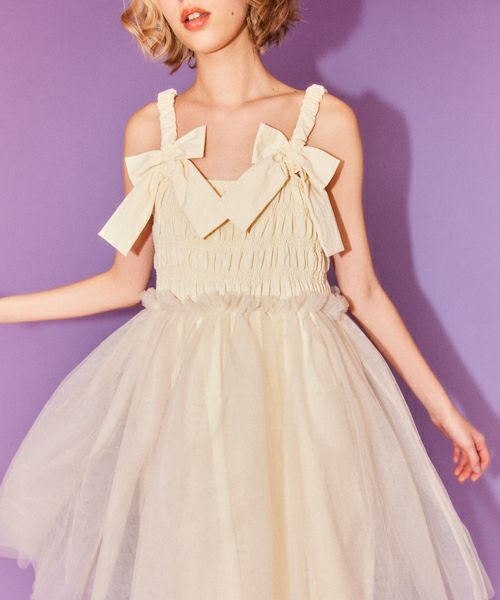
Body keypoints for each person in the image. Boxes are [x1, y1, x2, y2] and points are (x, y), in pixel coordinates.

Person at [0, 1, 495, 598]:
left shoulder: (324, 122)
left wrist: (444, 411)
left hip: (304, 400)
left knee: (316, 570)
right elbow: (124, 282)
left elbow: (360, 287)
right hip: (188, 402)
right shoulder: (151, 131)